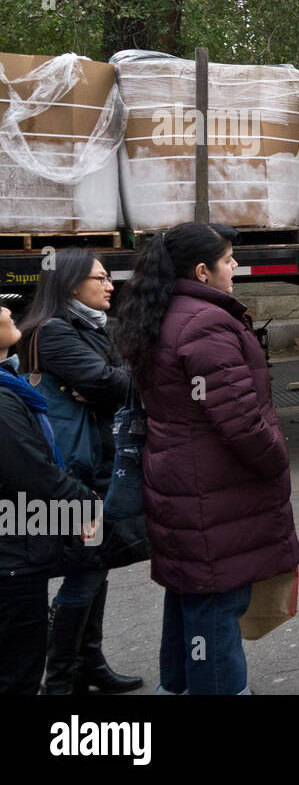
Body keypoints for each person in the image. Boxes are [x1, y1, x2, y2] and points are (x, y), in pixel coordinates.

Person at [114, 222, 299, 695]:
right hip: (214, 491)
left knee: (190, 598)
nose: (235, 267)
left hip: (180, 482)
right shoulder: (206, 322)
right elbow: (240, 421)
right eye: (228, 260)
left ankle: (175, 687)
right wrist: (276, 457)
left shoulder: (163, 312)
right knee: (217, 608)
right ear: (202, 270)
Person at [15, 249, 141, 694]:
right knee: (87, 567)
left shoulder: (86, 327)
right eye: (101, 278)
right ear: (71, 285)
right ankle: (61, 678)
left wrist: (113, 378)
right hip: (75, 469)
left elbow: (116, 377)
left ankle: (89, 662)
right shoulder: (52, 332)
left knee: (97, 563)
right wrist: (112, 380)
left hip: (93, 460)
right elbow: (111, 382)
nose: (110, 285)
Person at [0, 305, 100, 695]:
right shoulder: (3, 401)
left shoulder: (11, 386)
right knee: (17, 673)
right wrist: (82, 499)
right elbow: (29, 471)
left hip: (15, 546)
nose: (8, 308)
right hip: (12, 558)